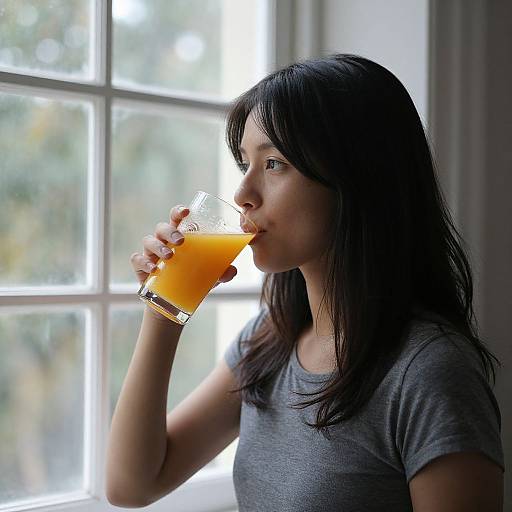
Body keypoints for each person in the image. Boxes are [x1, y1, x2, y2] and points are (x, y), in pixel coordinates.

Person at [105, 54, 505, 511]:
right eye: (245, 164)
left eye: (274, 164)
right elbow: (132, 484)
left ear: (356, 176)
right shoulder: (269, 343)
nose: (242, 195)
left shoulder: (429, 372)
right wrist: (165, 306)